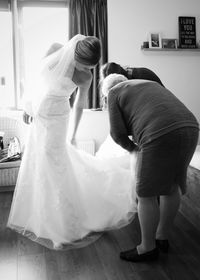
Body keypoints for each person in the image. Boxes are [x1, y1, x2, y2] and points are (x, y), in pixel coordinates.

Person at [7, 34, 138, 250]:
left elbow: (79, 104)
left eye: (92, 66)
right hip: (39, 116)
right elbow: (34, 78)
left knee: (55, 166)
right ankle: (39, 214)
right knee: (37, 162)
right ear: (75, 52)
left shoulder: (85, 77)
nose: (89, 69)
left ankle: (62, 225)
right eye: (85, 64)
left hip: (58, 119)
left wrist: (74, 134)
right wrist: (27, 106)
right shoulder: (54, 49)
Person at [101, 73, 199, 262]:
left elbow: (117, 133)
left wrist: (134, 149)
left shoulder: (113, 92)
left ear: (106, 92)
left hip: (159, 132)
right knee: (172, 185)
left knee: (145, 193)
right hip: (191, 127)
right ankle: (162, 237)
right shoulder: (148, 84)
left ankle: (147, 247)